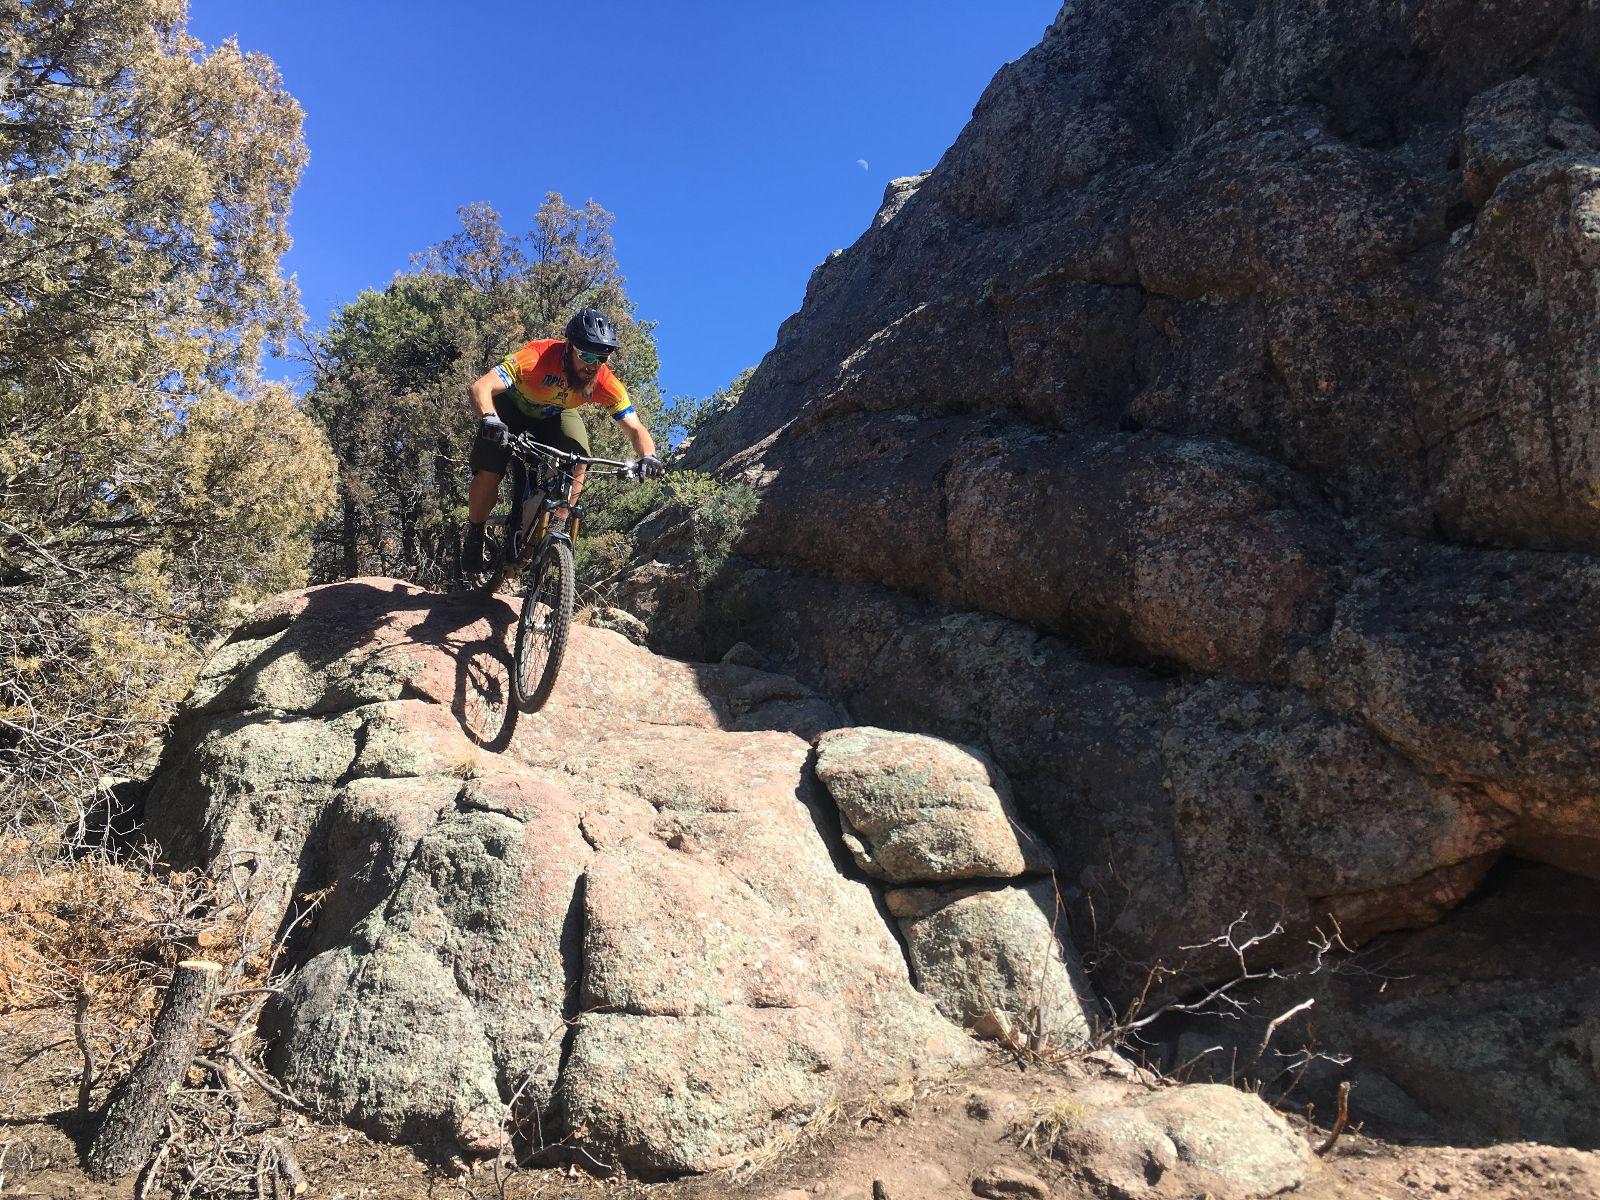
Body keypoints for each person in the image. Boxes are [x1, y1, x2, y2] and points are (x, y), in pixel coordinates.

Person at [462, 308, 664, 570]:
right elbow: (481, 386)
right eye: (587, 355)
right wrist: (489, 417)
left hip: (554, 415)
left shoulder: (603, 380)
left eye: (602, 357)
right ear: (569, 347)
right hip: (509, 409)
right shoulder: (537, 356)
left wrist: (649, 456)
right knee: (489, 472)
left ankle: (557, 524)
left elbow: (635, 427)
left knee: (580, 457)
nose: (593, 365)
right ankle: (475, 532)